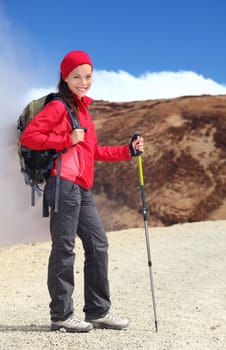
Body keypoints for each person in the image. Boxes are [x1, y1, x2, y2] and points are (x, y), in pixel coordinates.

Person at [20, 50, 144, 333]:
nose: (83, 81)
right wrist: (66, 137)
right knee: (64, 247)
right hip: (62, 183)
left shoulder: (82, 110)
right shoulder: (58, 107)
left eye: (88, 76)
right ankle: (61, 315)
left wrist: (127, 151)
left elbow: (93, 151)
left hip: (82, 186)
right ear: (65, 77)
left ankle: (98, 311)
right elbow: (30, 137)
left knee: (98, 244)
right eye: (77, 76)